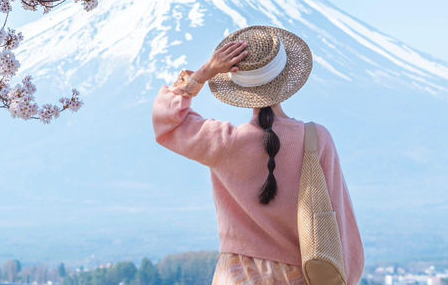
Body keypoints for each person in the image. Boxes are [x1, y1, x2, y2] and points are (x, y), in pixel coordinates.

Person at [152, 25, 365, 285]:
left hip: (237, 277)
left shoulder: (224, 143)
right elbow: (340, 222)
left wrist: (205, 72)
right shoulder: (317, 139)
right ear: (286, 78)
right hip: (300, 276)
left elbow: (167, 122)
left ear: (237, 86)